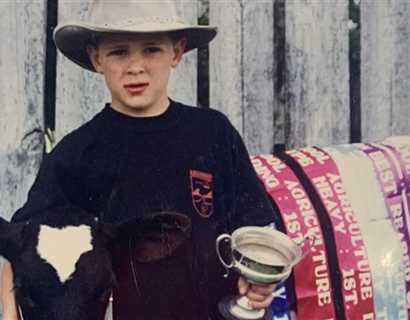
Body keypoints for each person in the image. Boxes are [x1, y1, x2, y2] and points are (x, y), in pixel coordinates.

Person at [0, 2, 277, 319]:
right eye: (119, 52)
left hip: (213, 311)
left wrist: (256, 280)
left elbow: (253, 222)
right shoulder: (76, 154)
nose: (136, 67)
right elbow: (19, 240)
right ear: (96, 58)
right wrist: (9, 312)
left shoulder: (213, 132)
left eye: (151, 50)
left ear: (176, 52)